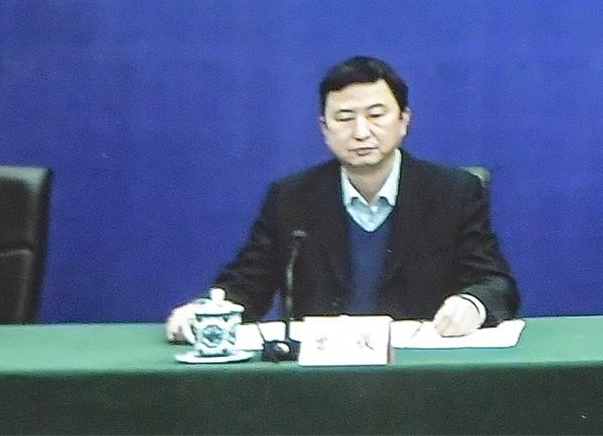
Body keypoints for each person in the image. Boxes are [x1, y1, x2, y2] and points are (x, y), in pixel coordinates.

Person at [165, 56, 518, 340]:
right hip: (319, 377)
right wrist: (206, 311)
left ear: (403, 121)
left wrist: (473, 303)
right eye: (345, 118)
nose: (361, 132)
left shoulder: (453, 191)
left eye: (376, 115)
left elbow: (495, 283)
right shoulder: (291, 197)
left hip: (417, 370)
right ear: (325, 129)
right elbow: (247, 283)